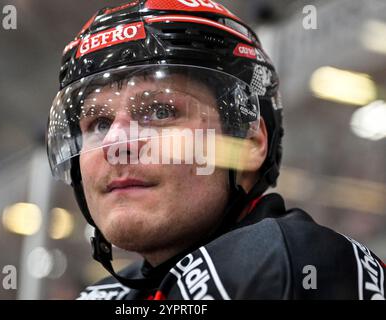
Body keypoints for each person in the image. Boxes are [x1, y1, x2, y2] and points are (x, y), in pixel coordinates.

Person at [46, 0, 385, 300]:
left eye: (161, 112)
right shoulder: (117, 291)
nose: (115, 145)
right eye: (99, 123)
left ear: (249, 143)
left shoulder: (281, 262)